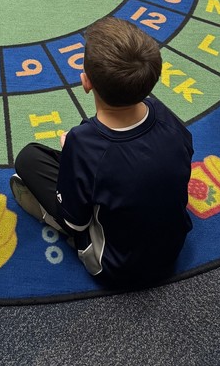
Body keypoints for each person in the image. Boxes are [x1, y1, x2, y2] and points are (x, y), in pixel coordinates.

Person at [11, 16, 193, 289]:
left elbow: (75, 223)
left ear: (86, 83)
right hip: (173, 249)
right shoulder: (163, 113)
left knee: (28, 157)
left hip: (115, 267)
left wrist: (72, 153)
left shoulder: (83, 142)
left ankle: (48, 217)